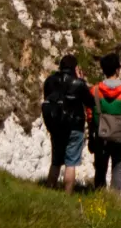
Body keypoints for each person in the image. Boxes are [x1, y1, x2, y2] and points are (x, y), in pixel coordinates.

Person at [88, 52, 121, 193]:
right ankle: (114, 201)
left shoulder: (95, 90)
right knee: (118, 170)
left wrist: (92, 133)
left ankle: (99, 197)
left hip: (101, 135)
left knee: (100, 169)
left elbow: (89, 114)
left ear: (103, 70)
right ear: (117, 70)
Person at [40, 53, 93, 190]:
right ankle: (67, 193)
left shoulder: (50, 81)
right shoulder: (78, 83)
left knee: (56, 161)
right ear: (75, 68)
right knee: (71, 163)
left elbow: (47, 98)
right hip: (74, 126)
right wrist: (82, 81)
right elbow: (90, 102)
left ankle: (49, 187)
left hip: (56, 125)